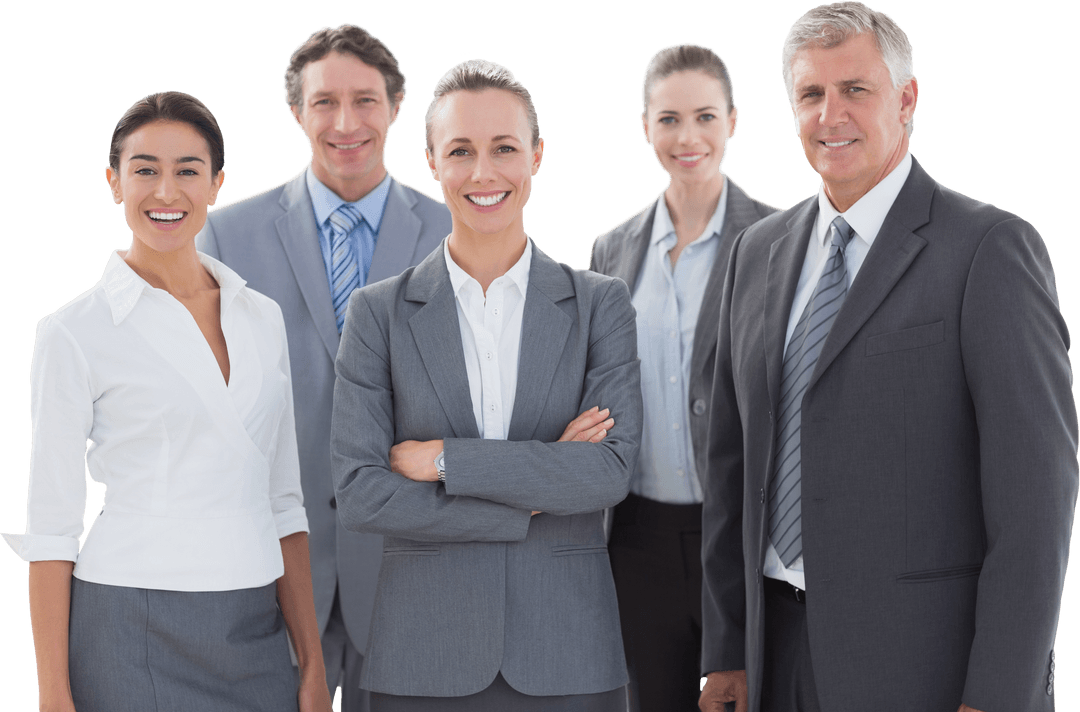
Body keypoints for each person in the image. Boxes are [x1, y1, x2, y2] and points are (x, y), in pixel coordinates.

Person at [698, 3, 1078, 712]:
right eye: (811, 94)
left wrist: (999, 695)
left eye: (855, 90)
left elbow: (1036, 510)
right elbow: (729, 468)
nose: (830, 114)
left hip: (920, 669)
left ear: (906, 100)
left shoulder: (989, 250)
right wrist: (726, 650)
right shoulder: (755, 252)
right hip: (770, 654)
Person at [1, 91, 331, 712]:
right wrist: (52, 695)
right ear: (114, 182)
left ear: (217, 184)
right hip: (129, 622)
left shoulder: (261, 317)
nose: (166, 191)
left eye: (188, 171)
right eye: (145, 169)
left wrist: (311, 667)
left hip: (255, 626)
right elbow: (51, 532)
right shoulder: (73, 332)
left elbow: (285, 502)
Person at [330, 58, 642, 711]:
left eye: (504, 149)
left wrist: (444, 459)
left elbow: (608, 472)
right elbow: (361, 494)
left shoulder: (598, 305)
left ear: (537, 156)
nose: (483, 173)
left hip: (569, 655)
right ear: (431, 162)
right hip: (422, 657)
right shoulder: (378, 313)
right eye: (460, 152)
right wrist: (531, 496)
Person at [196, 23, 451, 711]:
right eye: (324, 103)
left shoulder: (453, 234)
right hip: (272, 566)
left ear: (398, 106)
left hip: (410, 565)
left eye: (366, 100)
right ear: (296, 112)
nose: (346, 123)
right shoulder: (227, 234)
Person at [589, 42, 776, 712]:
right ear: (645, 127)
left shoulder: (781, 240)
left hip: (741, 534)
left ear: (732, 121)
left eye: (704, 116)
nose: (687, 137)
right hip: (635, 537)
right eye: (668, 119)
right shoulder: (611, 249)